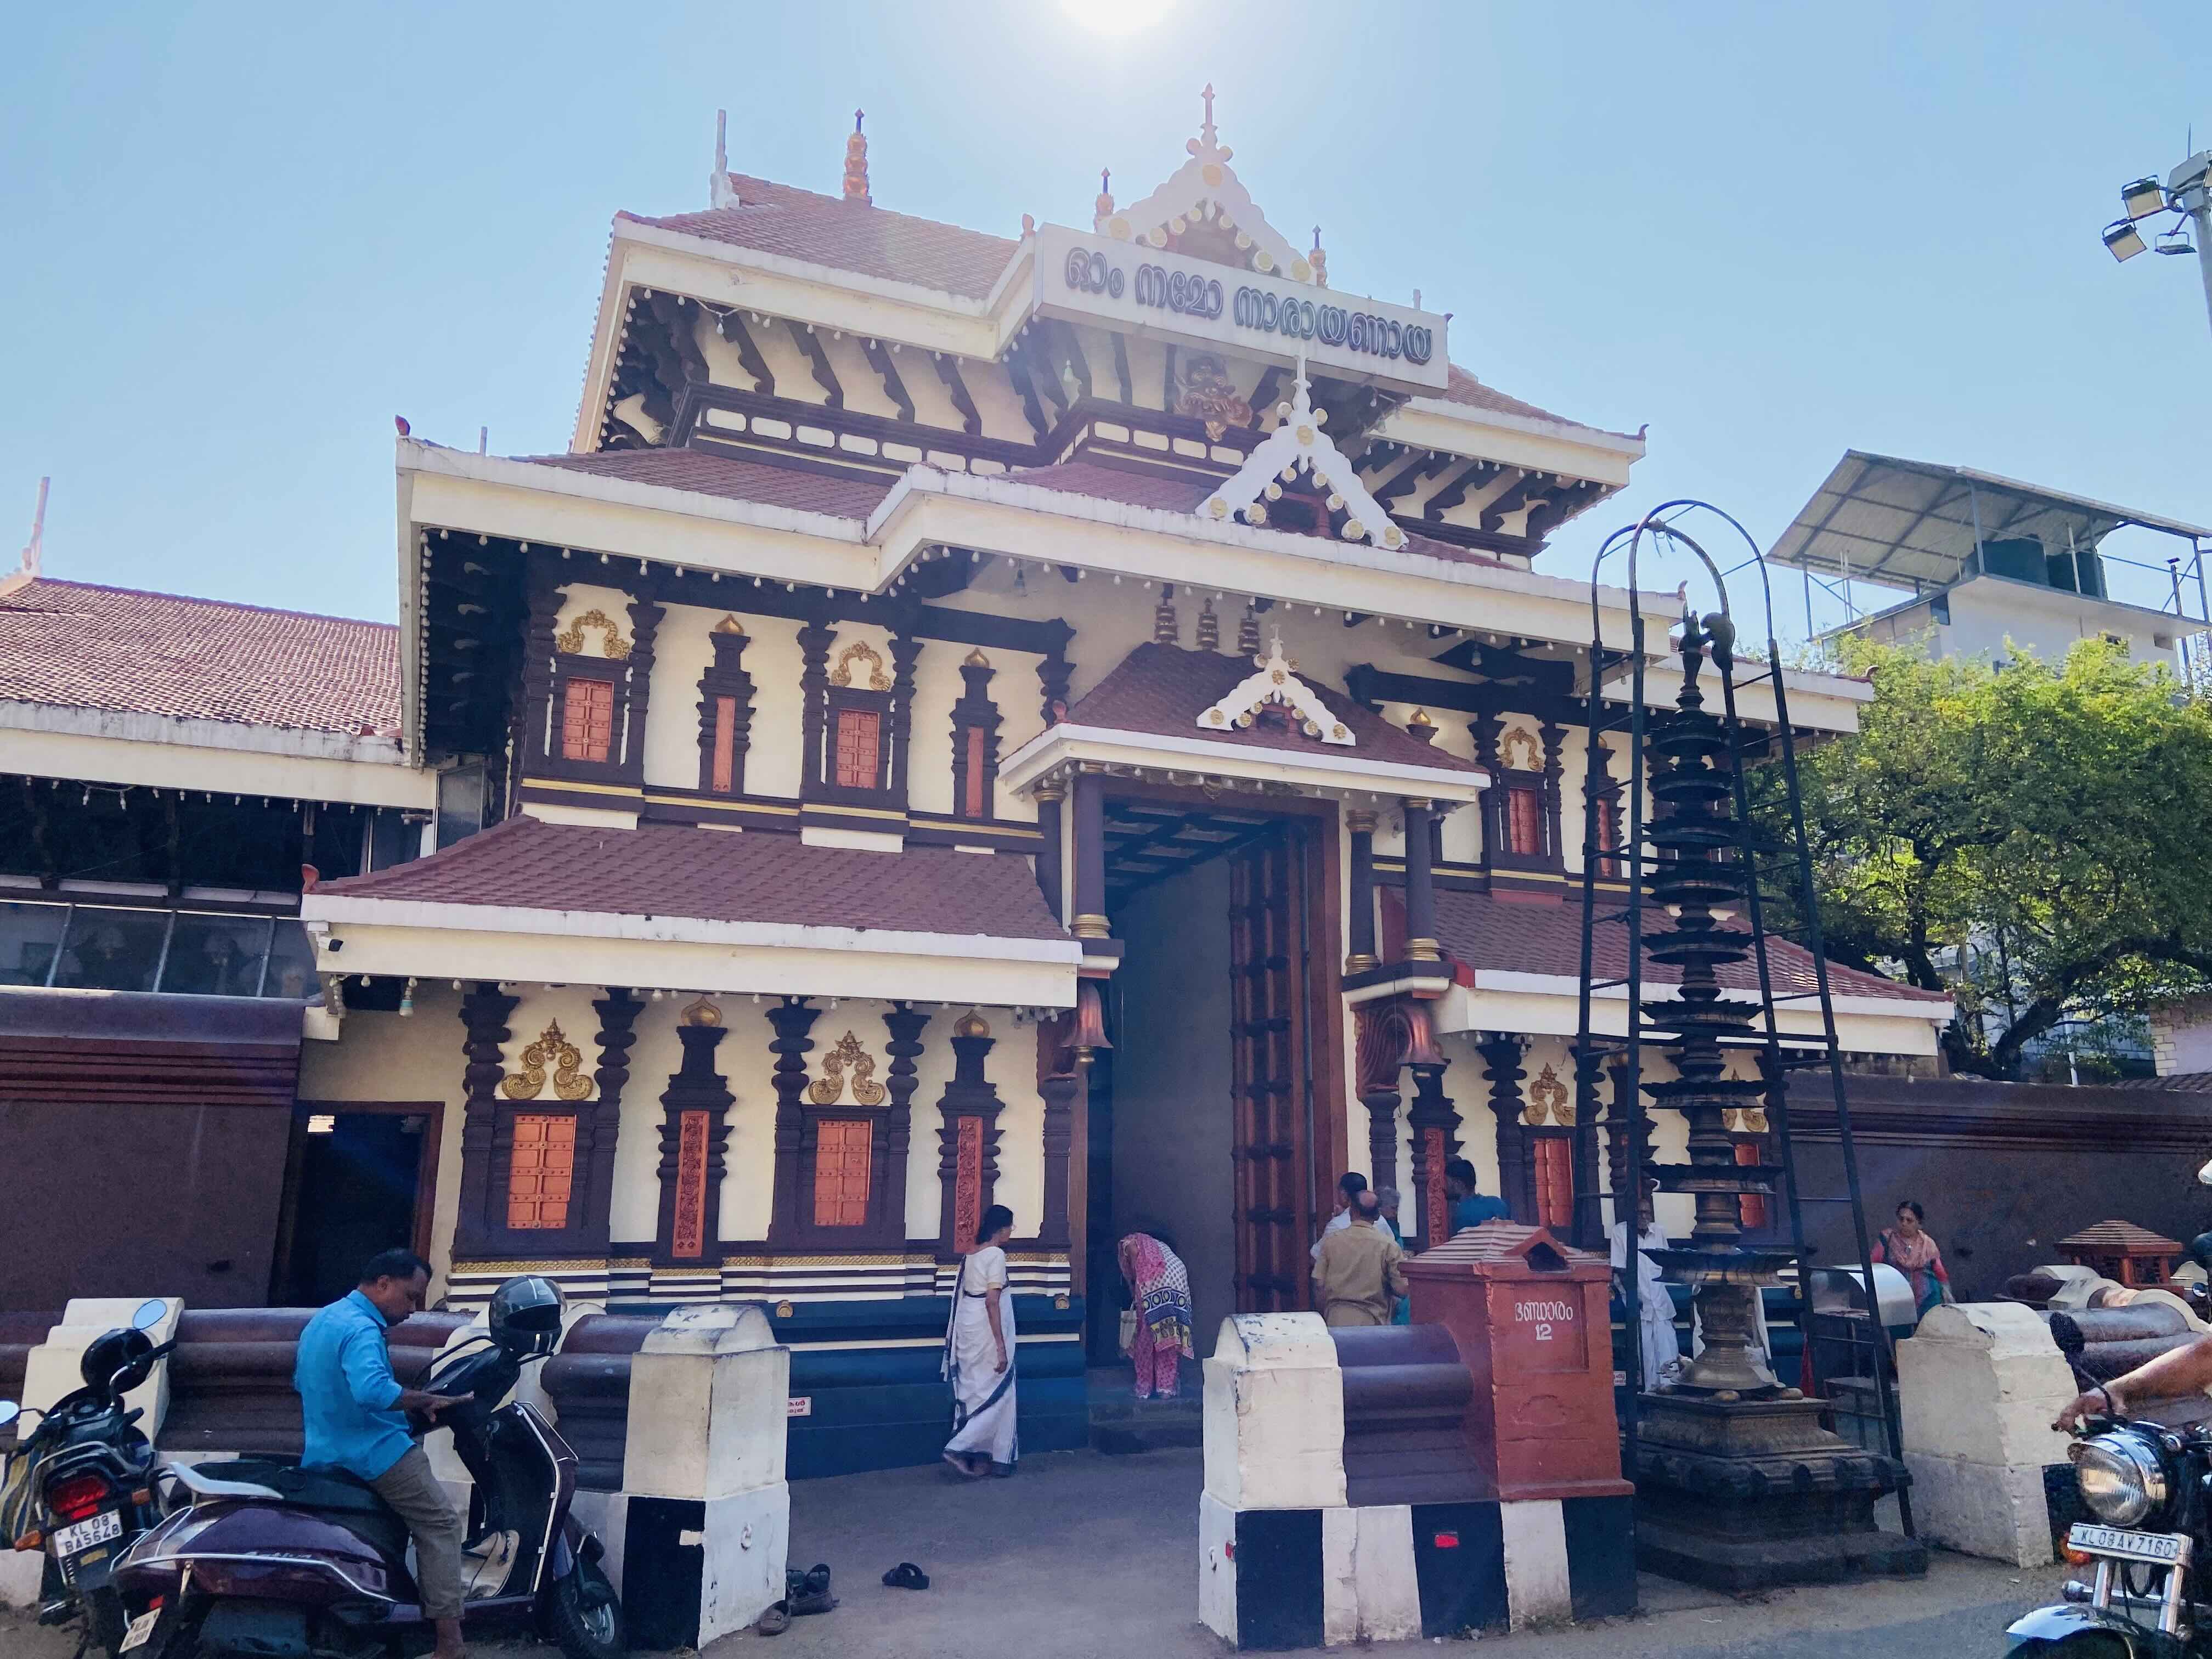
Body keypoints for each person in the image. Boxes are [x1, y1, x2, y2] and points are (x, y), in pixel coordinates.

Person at [294, 1249, 473, 1659]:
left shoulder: (324, 1320)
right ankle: (451, 1644)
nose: (413, 1310)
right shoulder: (362, 1329)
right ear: (383, 1284)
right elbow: (372, 1391)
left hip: (324, 1453)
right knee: (441, 1525)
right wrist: (421, 1399)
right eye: (411, 1297)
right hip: (375, 1453)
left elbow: (302, 1383)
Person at [943, 1205, 1018, 1479]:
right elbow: (992, 1301)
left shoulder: (971, 1255)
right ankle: (959, 1446)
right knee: (1000, 1392)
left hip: (969, 1330)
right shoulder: (996, 1255)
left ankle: (985, 1458)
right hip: (987, 1332)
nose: (1012, 1232)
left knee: (975, 1393)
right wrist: (1000, 1346)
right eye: (1011, 1227)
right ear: (1001, 1229)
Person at [1610, 1181, 1681, 1390]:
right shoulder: (1620, 1233)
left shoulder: (1658, 1231)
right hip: (1638, 1300)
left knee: (1668, 1347)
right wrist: (1634, 1298)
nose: (1644, 1217)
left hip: (1660, 1300)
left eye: (1647, 1213)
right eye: (1639, 1213)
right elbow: (1621, 1270)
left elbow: (1667, 1263)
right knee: (1646, 1353)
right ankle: (1651, 1392)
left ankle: (1671, 1391)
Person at [1312, 1190, 1408, 1327]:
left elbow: (1319, 1286)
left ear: (1352, 1212)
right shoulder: (1388, 1245)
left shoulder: (1331, 1242)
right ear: (1377, 1215)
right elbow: (1402, 1288)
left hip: (1336, 1320)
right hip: (1373, 1324)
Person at [1118, 1233, 1194, 1400]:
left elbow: (1138, 1271)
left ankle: (1143, 1389)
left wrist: (1136, 1296)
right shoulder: (1158, 1247)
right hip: (1177, 1286)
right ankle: (1166, 1389)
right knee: (1169, 1337)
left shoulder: (1129, 1242)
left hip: (1155, 1285)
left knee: (1144, 1338)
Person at [1870, 1200, 1950, 1318]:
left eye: (1909, 1220)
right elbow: (1873, 1265)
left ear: (1919, 1224)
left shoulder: (1928, 1244)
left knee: (1926, 1333)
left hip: (1928, 1299)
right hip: (1896, 1299)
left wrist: (1948, 1294)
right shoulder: (1887, 1239)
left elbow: (1940, 1273)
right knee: (1900, 1334)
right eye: (1901, 1219)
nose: (1904, 1223)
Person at [1312, 1171, 1368, 1261]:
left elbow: (1318, 1256)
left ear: (1343, 1193)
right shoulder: (1380, 1220)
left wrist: (1338, 1219)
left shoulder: (1336, 1225)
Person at [1445, 1158, 1510, 1233]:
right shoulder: (1498, 1203)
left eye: (1446, 1182)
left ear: (1459, 1184)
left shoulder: (1462, 1214)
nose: (1443, 1187)